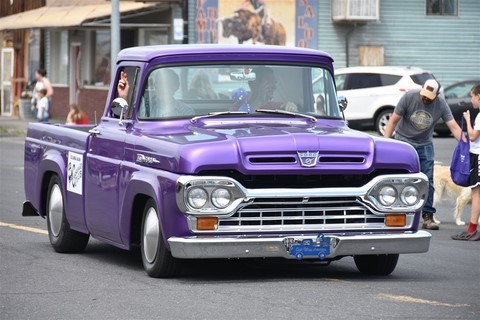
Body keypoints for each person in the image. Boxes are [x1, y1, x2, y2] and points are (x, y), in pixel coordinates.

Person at [384, 79, 463, 230]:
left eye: (429, 96)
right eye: (424, 94)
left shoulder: (441, 104)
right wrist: (387, 145)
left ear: (437, 94)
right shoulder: (409, 97)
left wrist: (466, 146)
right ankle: (394, 212)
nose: (425, 98)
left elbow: (453, 126)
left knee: (427, 181)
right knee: (399, 178)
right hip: (403, 142)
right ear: (421, 89)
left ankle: (428, 216)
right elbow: (393, 121)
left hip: (425, 144)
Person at [452, 83, 480, 241]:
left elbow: (473, 136)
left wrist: (468, 120)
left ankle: (472, 228)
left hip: (478, 155)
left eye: (472, 96)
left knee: (476, 193)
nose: (471, 100)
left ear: (479, 96)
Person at [118, 69, 194, 118]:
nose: (162, 88)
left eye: (167, 84)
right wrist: (124, 97)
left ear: (175, 87)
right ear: (155, 86)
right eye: (159, 83)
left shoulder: (186, 111)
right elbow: (128, 120)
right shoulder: (146, 107)